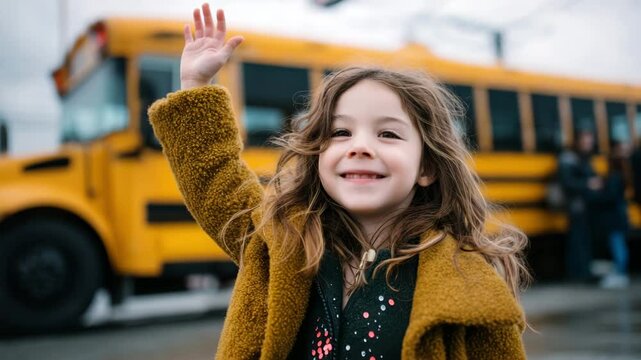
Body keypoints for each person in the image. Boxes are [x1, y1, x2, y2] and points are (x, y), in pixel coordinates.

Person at [148, 4, 529, 358]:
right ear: (317, 156)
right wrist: (196, 85)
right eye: (341, 132)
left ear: (427, 167)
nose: (360, 147)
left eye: (388, 135)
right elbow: (218, 180)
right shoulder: (281, 241)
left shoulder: (470, 284)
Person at [558, 130, 602, 282]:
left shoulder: (585, 159)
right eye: (585, 141)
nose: (588, 145)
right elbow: (567, 183)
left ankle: (584, 270)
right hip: (576, 206)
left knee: (584, 240)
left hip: (587, 206)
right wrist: (588, 184)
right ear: (577, 141)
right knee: (578, 240)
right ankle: (579, 273)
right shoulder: (569, 159)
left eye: (590, 142)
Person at [598, 141, 631, 288]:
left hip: (614, 217)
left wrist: (598, 191)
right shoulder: (623, 175)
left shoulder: (613, 177)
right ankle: (621, 272)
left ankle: (621, 273)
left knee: (617, 244)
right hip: (620, 215)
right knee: (620, 244)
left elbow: (609, 196)